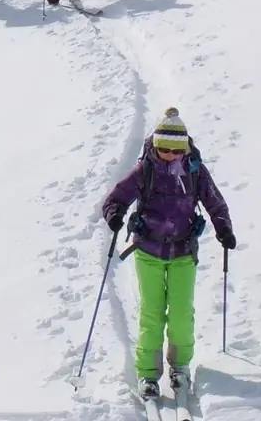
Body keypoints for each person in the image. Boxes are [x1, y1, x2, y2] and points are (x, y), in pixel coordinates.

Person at [99, 108, 236, 401]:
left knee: (181, 315)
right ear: (155, 146)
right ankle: (148, 374)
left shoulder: (195, 170)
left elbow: (215, 202)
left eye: (177, 150)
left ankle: (180, 367)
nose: (171, 155)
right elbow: (116, 198)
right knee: (152, 314)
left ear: (186, 148)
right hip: (148, 250)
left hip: (183, 252)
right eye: (164, 149)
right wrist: (114, 214)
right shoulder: (146, 169)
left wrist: (223, 229)